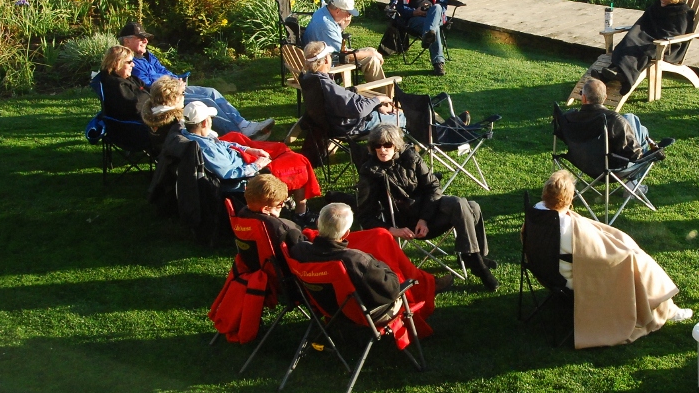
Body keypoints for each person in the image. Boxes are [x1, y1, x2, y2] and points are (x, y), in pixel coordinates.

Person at [535, 170, 692, 349]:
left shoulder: (538, 212)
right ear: (568, 199)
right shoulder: (566, 228)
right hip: (574, 276)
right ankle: (665, 309)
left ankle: (665, 305)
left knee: (627, 248)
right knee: (637, 262)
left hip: (547, 269)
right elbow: (594, 254)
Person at [355, 124, 497, 291]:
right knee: (467, 206)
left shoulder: (410, 156)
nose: (382, 150)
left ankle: (476, 257)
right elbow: (365, 216)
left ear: (396, 146)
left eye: (387, 145)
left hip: (428, 212)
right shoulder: (370, 172)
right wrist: (393, 230)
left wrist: (424, 219)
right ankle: (475, 260)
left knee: (471, 206)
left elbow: (433, 186)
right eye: (377, 146)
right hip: (408, 222)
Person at [117, 20, 273, 139]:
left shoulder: (147, 56)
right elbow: (151, 85)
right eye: (140, 38)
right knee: (206, 102)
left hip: (175, 88)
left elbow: (163, 71)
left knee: (211, 92)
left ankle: (244, 125)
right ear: (126, 41)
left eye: (146, 38)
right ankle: (239, 137)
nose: (146, 41)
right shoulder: (129, 63)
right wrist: (174, 85)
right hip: (165, 97)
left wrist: (176, 80)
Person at [289, 200, 443, 317]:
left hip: (327, 310)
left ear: (318, 224)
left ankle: (428, 281)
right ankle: (426, 284)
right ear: (346, 233)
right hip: (363, 313)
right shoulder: (355, 260)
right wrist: (382, 265)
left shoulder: (299, 251)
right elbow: (392, 290)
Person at [297, 40, 404, 166]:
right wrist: (378, 100)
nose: (330, 58)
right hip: (352, 126)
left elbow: (346, 100)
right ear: (325, 60)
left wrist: (376, 106)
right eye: (329, 56)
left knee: (391, 113)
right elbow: (359, 110)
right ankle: (402, 156)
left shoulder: (309, 79)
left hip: (334, 124)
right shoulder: (325, 85)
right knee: (403, 118)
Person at [591, 0, 695, 95]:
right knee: (628, 42)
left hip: (666, 46)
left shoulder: (682, 12)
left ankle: (620, 77)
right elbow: (645, 22)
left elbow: (676, 32)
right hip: (648, 37)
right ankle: (614, 74)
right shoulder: (657, 6)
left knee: (641, 50)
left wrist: (658, 38)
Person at [565, 78, 670, 163]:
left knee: (631, 118)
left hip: (582, 161)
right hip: (611, 166)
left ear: (583, 98)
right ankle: (633, 181)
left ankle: (644, 133)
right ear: (605, 98)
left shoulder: (570, 118)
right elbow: (635, 155)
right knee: (641, 130)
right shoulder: (613, 120)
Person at [180, 100, 270, 189]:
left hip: (242, 164)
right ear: (205, 123)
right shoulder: (207, 149)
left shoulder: (188, 134)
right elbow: (231, 175)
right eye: (211, 118)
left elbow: (221, 144)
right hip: (243, 182)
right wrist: (257, 165)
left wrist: (248, 149)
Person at [386, 0, 449, 75]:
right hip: (414, 19)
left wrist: (431, 12)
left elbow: (443, 2)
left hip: (435, 15)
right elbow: (396, 6)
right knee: (434, 28)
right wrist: (414, 12)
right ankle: (438, 63)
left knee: (436, 7)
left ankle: (427, 35)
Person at [302, 0, 386, 82]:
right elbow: (345, 56)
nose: (350, 16)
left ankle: (385, 88)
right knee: (372, 59)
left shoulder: (323, 12)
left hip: (323, 56)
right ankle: (383, 89)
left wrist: (343, 25)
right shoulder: (326, 26)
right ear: (338, 11)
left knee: (371, 50)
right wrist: (371, 54)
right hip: (326, 63)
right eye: (349, 13)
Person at [140, 75, 186, 157]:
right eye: (182, 93)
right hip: (179, 157)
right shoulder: (178, 121)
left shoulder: (151, 114)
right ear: (173, 97)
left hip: (161, 155)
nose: (184, 96)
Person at [98, 45, 146, 122]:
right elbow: (134, 107)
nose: (133, 65)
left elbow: (148, 89)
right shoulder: (115, 84)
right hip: (135, 124)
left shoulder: (130, 78)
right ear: (116, 63)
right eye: (129, 62)